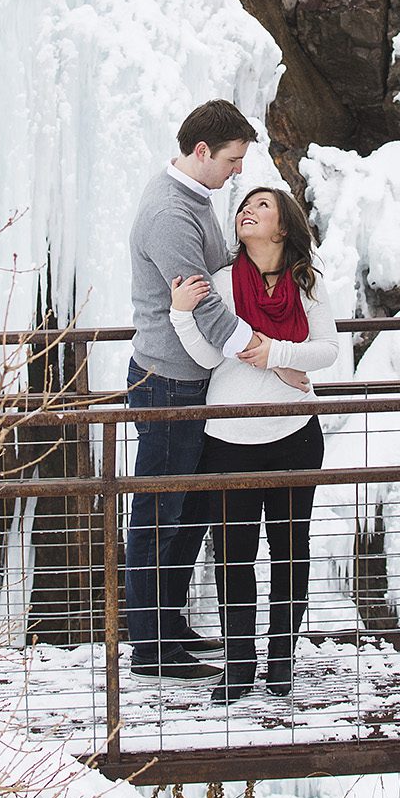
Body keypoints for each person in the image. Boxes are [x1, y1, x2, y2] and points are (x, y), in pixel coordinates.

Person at [169, 185, 338, 702]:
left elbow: (327, 350)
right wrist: (180, 313)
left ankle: (282, 660)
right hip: (227, 439)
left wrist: (277, 355)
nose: (248, 210)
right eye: (244, 205)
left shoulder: (307, 282)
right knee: (234, 557)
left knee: (291, 551)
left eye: (262, 206)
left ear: (283, 226)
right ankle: (240, 664)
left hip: (294, 438)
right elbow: (204, 357)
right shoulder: (220, 281)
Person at [126, 100, 267, 682]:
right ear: (202, 151)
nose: (239, 171)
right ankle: (151, 647)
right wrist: (266, 353)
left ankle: (169, 622)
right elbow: (203, 305)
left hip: (189, 379)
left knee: (186, 509)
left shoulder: (195, 199)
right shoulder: (169, 213)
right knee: (159, 511)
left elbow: (217, 275)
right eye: (233, 159)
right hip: (168, 384)